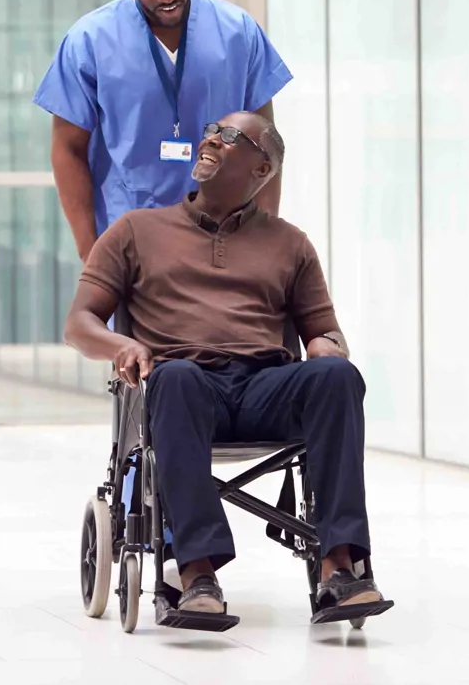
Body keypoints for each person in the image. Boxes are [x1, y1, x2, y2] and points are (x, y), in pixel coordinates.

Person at [63, 111, 387, 621]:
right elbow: (79, 322)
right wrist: (122, 346)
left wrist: (328, 345)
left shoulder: (290, 243)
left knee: (337, 376)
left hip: (265, 386)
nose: (211, 137)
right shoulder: (136, 231)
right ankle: (196, 577)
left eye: (230, 136)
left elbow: (326, 331)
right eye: (211, 129)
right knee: (176, 376)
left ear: (262, 170)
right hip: (186, 390)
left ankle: (340, 570)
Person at [35, 0, 293, 262]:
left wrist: (263, 241)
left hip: (225, 243)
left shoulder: (238, 32)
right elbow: (67, 150)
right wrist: (91, 254)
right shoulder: (89, 41)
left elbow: (266, 144)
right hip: (130, 245)